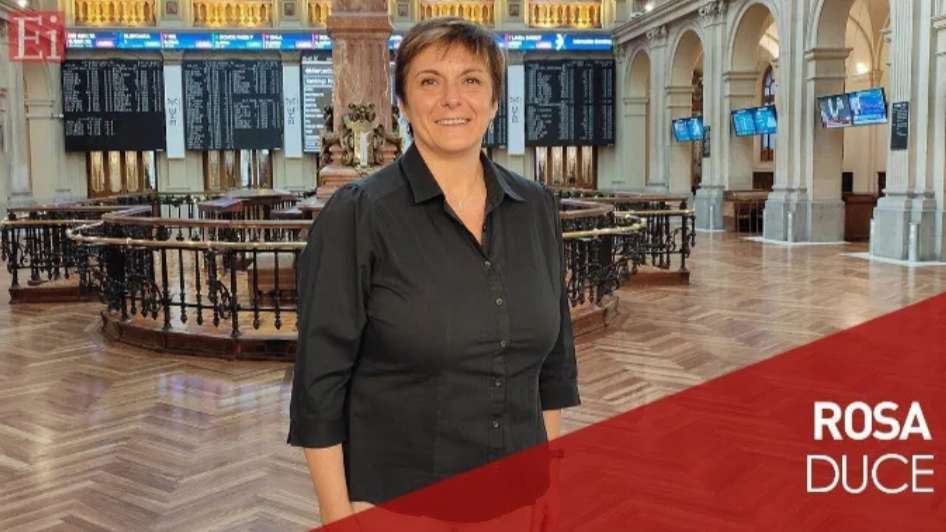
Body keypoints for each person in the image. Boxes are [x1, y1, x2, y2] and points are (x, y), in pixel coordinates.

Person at [288, 17, 581, 530]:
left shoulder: (536, 208)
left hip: (518, 501)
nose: (452, 99)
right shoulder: (358, 215)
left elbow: (553, 368)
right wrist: (338, 518)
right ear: (402, 104)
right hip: (399, 508)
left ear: (494, 101)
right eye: (429, 81)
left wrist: (549, 484)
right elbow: (318, 387)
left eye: (471, 80)